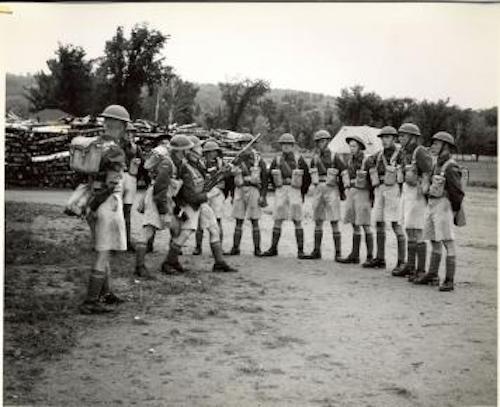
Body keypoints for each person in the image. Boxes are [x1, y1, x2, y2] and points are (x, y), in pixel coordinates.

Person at [161, 135, 238, 274]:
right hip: (191, 205)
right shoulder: (185, 167)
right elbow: (191, 196)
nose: (201, 150)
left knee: (214, 229)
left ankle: (219, 263)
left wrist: (222, 175)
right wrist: (208, 195)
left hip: (200, 203)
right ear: (190, 150)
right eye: (198, 147)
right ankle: (169, 262)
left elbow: (205, 185)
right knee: (186, 233)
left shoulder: (197, 165)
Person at [79, 141, 127, 314]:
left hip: (97, 203)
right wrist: (94, 205)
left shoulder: (99, 147)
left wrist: (91, 205)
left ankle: (106, 293)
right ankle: (91, 301)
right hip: (106, 205)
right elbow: (111, 185)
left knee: (103, 251)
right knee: (103, 252)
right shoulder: (115, 152)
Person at [415, 132, 464, 291]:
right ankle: (433, 274)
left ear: (445, 146)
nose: (433, 146)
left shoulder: (450, 166)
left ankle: (449, 280)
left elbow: (457, 193)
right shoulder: (436, 164)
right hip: (432, 204)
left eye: (436, 143)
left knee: (447, 241)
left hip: (443, 205)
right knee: (433, 239)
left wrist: (454, 211)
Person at [392, 123, 433, 281]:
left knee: (418, 230)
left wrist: (424, 188)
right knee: (409, 229)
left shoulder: (420, 151)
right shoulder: (403, 152)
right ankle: (410, 266)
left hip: (417, 194)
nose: (400, 138)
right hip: (406, 192)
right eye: (400, 136)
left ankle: (421, 270)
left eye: (403, 135)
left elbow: (429, 171)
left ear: (412, 137)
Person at [100, 105, 143, 252]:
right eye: (129, 132)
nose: (130, 135)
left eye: (133, 133)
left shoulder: (135, 147)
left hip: (131, 178)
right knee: (115, 209)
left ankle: (126, 240)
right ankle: (113, 242)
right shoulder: (116, 144)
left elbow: (141, 164)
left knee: (127, 210)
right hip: (119, 177)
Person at [363, 126, 406, 272]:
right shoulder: (378, 155)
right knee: (379, 222)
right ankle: (380, 258)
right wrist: (368, 161)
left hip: (393, 188)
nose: (384, 140)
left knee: (395, 223)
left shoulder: (401, 154)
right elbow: (368, 162)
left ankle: (401, 261)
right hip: (379, 188)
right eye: (382, 138)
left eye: (387, 137)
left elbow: (406, 172)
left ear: (394, 138)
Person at [262, 133, 311, 259]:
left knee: (297, 219)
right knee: (278, 219)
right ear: (281, 146)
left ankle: (300, 250)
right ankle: (273, 248)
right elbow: (269, 176)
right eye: (284, 144)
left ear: (293, 145)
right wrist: (276, 187)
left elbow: (306, 178)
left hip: (295, 190)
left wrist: (302, 193)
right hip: (281, 189)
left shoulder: (299, 159)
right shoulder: (277, 159)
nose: (286, 147)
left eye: (289, 144)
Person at [134, 142, 177, 279]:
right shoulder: (166, 161)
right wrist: (163, 210)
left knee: (174, 228)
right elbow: (160, 187)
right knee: (148, 230)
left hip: (157, 194)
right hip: (157, 196)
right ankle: (139, 266)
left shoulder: (164, 158)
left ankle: (171, 261)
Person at [303, 129, 346, 261]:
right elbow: (309, 176)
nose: (321, 143)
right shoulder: (314, 158)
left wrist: (343, 191)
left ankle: (338, 253)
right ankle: (317, 251)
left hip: (331, 188)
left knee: (334, 220)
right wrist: (304, 191)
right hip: (318, 188)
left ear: (327, 141)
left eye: (323, 141)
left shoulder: (335, 156)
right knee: (318, 220)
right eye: (318, 141)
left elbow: (343, 173)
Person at [225, 135, 268, 257]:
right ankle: (235, 248)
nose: (245, 147)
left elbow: (265, 178)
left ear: (253, 145)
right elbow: (229, 178)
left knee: (255, 220)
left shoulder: (258, 160)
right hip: (239, 190)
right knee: (238, 220)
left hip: (254, 190)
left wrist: (263, 195)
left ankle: (257, 249)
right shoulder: (236, 159)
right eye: (243, 144)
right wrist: (232, 195)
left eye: (248, 144)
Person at [337, 134, 374, 265]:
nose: (351, 148)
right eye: (350, 146)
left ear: (360, 147)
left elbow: (372, 178)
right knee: (354, 222)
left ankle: (370, 256)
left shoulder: (367, 160)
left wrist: (371, 196)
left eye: (354, 146)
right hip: (352, 192)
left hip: (363, 192)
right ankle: (355, 255)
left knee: (365, 223)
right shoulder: (349, 160)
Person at [193, 139, 227, 255]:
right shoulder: (200, 163)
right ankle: (198, 247)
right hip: (204, 192)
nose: (212, 154)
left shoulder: (221, 163)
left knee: (217, 220)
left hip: (217, 192)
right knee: (200, 221)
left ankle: (219, 247)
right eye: (209, 152)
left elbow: (227, 180)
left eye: (214, 151)